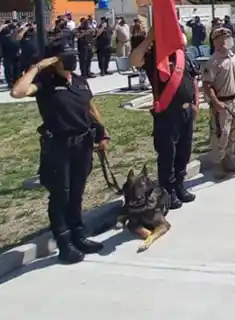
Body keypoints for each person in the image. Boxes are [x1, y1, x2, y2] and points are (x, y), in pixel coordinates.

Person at [11, 39, 109, 263]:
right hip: (58, 147)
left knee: (76, 193)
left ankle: (78, 235)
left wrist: (103, 133)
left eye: (72, 54)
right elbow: (17, 92)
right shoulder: (45, 83)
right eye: (65, 56)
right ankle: (64, 242)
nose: (71, 59)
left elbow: (91, 109)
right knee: (60, 196)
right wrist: (37, 67)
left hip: (83, 144)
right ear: (53, 61)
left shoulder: (80, 81)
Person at [129, 26, 200, 209]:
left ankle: (179, 185)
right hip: (168, 113)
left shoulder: (182, 56)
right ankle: (168, 191)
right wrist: (149, 38)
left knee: (184, 151)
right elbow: (135, 60)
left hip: (187, 111)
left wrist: (195, 104)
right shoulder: (155, 57)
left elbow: (193, 80)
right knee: (168, 153)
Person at [202, 27, 235, 179]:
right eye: (223, 37)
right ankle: (218, 165)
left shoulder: (234, 58)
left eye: (229, 36)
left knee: (232, 133)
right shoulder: (213, 61)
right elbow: (207, 84)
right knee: (220, 135)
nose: (227, 39)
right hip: (222, 104)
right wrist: (216, 102)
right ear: (216, 41)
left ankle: (228, 161)